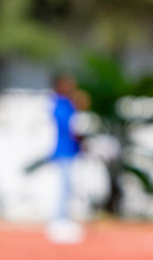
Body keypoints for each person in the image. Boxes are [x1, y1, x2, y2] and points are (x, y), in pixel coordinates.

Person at [47, 73, 86, 242]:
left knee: (68, 187)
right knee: (64, 187)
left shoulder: (68, 104)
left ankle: (64, 219)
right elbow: (71, 127)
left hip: (71, 151)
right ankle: (59, 220)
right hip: (64, 151)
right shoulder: (60, 104)